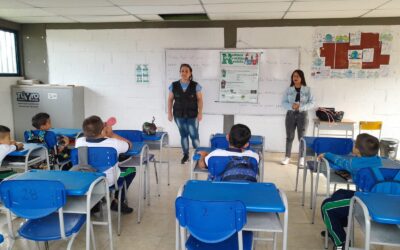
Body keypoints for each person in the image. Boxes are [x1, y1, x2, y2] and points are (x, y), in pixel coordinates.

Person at [318, 133, 381, 250]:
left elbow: (340, 161)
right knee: (339, 193)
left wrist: (327, 154)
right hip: (372, 198)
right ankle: (335, 229)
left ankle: (341, 243)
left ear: (357, 149)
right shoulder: (377, 160)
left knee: (327, 206)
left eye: (355, 143)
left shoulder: (355, 164)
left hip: (364, 203)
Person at [75, 115, 135, 214]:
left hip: (87, 180)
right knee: (132, 170)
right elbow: (129, 145)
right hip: (108, 181)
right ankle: (117, 201)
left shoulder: (79, 142)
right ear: (103, 131)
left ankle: (96, 203)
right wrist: (111, 134)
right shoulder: (114, 143)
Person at [167, 64, 203, 164]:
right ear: (180, 72)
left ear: (190, 73)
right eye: (182, 71)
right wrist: (169, 113)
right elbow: (170, 100)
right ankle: (186, 155)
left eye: (186, 71)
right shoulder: (173, 85)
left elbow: (200, 100)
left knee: (194, 135)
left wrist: (200, 113)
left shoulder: (196, 85)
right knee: (183, 135)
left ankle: (198, 154)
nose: (184, 73)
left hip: (192, 115)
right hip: (179, 115)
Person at [281, 69, 315, 165]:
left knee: (302, 137)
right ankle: (287, 157)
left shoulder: (308, 89)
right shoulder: (289, 89)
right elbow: (283, 103)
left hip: (303, 115)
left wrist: (301, 107)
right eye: (294, 76)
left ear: (301, 78)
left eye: (297, 76)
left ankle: (301, 158)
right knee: (289, 137)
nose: (295, 78)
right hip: (290, 114)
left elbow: (312, 102)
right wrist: (291, 106)